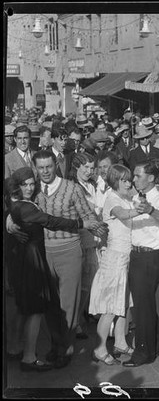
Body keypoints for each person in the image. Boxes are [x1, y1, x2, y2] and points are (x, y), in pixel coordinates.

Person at [6, 150, 107, 368]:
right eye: (40, 168)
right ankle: (56, 344)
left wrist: (100, 231)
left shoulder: (71, 188)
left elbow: (88, 215)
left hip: (69, 250)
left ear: (56, 164)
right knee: (50, 303)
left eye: (48, 167)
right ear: (35, 168)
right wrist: (8, 220)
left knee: (68, 303)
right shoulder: (32, 189)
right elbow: (13, 200)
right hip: (43, 252)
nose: (45, 172)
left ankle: (66, 347)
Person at [122, 160, 159, 367]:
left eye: (137, 175)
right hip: (139, 257)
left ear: (150, 178)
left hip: (147, 258)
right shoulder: (137, 196)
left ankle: (144, 353)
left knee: (141, 308)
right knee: (147, 305)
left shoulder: (156, 198)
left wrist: (150, 210)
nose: (134, 179)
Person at [88, 164, 139, 365]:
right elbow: (124, 215)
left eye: (129, 179)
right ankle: (99, 349)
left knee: (124, 304)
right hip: (115, 258)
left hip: (126, 257)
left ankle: (120, 342)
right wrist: (145, 207)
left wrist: (134, 191)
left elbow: (134, 195)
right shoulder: (111, 198)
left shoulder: (125, 196)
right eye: (124, 180)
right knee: (110, 307)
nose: (129, 183)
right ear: (115, 181)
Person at [68, 152, 101, 339]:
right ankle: (77, 321)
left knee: (91, 281)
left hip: (95, 238)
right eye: (85, 167)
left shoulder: (93, 184)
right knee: (82, 284)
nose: (89, 171)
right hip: (82, 239)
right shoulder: (73, 187)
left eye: (91, 167)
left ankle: (86, 314)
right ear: (76, 167)